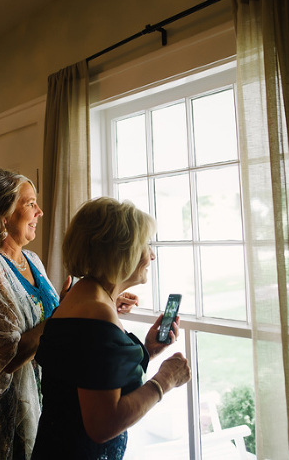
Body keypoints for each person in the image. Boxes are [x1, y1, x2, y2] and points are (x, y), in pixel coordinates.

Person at [0, 168, 138, 459]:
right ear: (2, 213)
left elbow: (53, 322)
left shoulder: (33, 260)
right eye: (30, 203)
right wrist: (67, 312)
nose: (39, 211)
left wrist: (101, 306)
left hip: (41, 406)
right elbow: (8, 357)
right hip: (3, 421)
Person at [32, 197, 192, 459]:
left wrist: (147, 349)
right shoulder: (97, 315)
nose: (152, 254)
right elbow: (103, 424)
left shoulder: (81, 296)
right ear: (121, 252)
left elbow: (93, 376)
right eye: (145, 245)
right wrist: (165, 380)